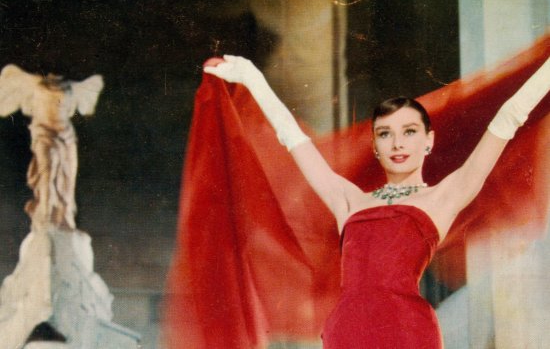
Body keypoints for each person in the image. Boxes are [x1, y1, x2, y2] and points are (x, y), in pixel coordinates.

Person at [204, 55, 550, 348]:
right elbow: (293, 139)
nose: (397, 144)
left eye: (409, 132)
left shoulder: (444, 196)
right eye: (385, 134)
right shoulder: (349, 201)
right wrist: (250, 76)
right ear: (375, 147)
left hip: (407, 330)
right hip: (347, 331)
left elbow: (509, 117)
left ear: (429, 141)